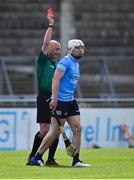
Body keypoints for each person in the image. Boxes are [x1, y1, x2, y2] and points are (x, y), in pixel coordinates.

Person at [31, 39, 91, 167]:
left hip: (71, 100)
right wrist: (54, 98)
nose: (80, 50)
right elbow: (55, 79)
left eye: (82, 47)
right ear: (70, 49)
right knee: (55, 131)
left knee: (77, 128)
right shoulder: (65, 62)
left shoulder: (76, 64)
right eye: (77, 48)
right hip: (61, 101)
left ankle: (76, 160)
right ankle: (36, 157)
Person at [26, 11, 61, 166]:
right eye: (56, 49)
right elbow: (46, 43)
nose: (58, 51)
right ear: (49, 49)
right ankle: (32, 157)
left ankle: (50, 159)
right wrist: (51, 24)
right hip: (44, 97)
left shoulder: (56, 65)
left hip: (55, 98)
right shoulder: (43, 61)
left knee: (56, 129)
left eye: (59, 49)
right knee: (45, 130)